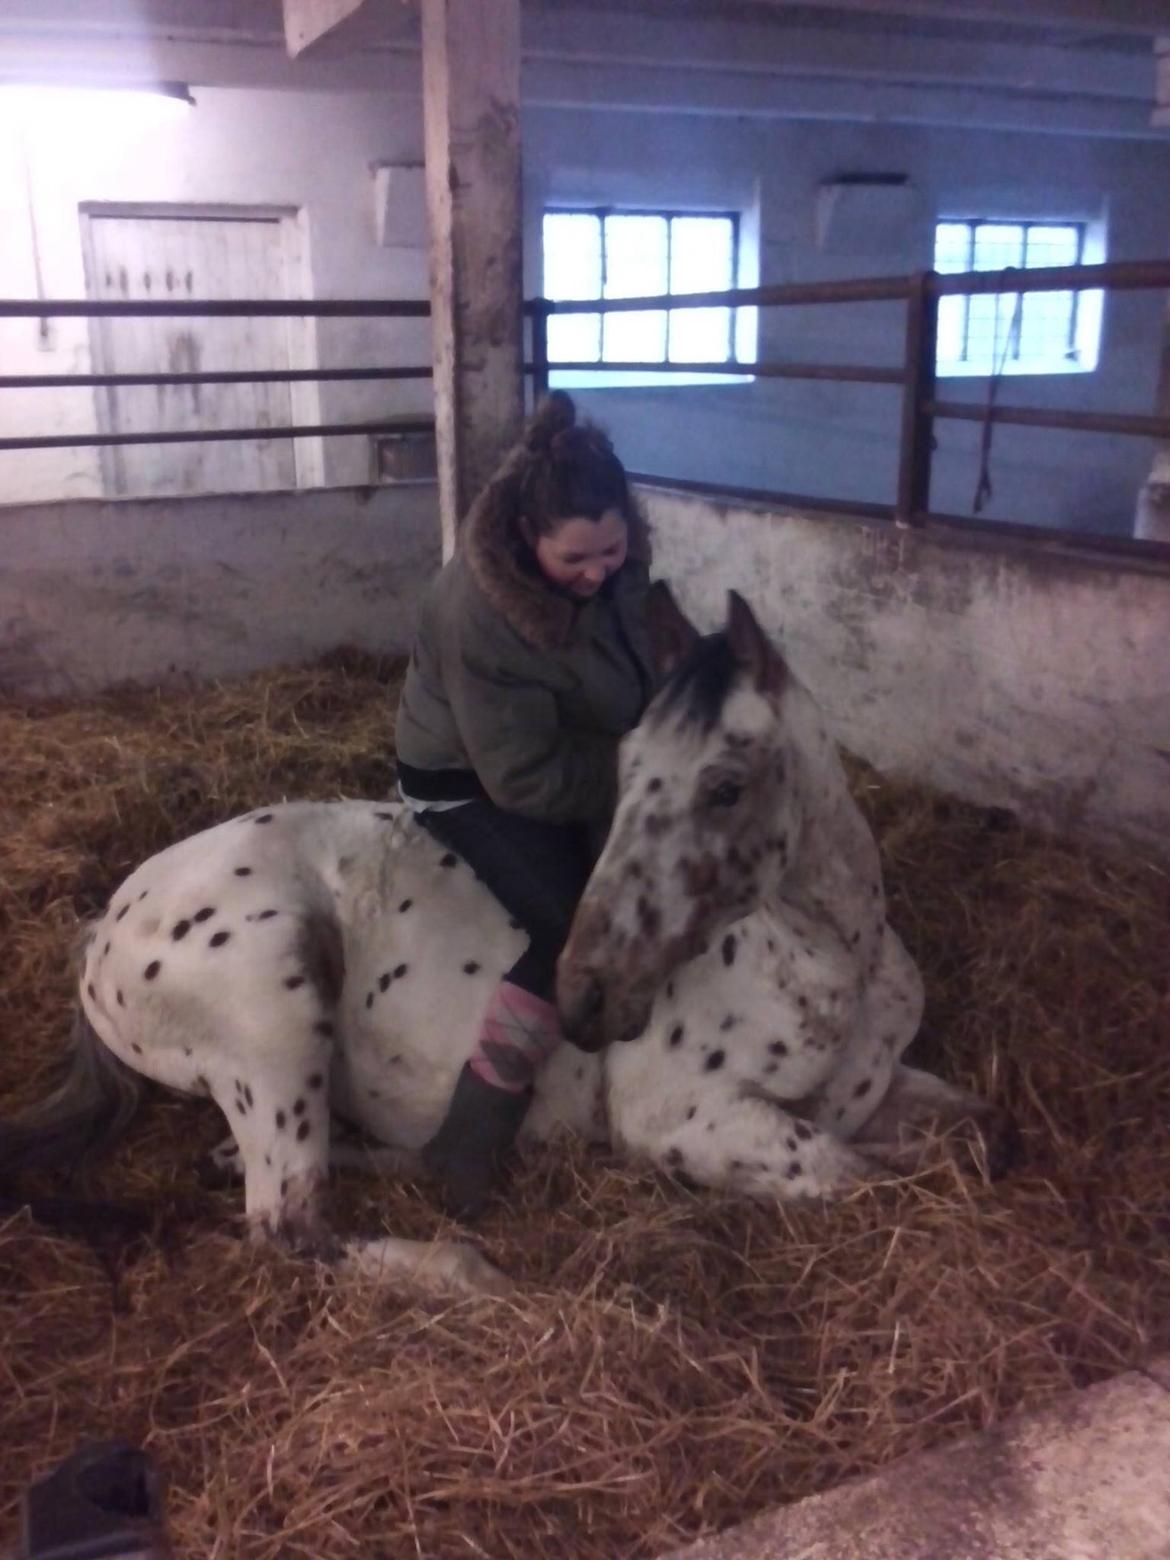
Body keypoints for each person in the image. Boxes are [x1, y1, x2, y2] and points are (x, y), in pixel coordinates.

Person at [394, 391, 654, 1220]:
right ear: (528, 539)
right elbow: (524, 780)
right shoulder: (482, 611)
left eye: (611, 550)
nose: (598, 572)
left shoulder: (613, 557)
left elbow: (627, 638)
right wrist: (639, 775)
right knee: (569, 923)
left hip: (584, 744)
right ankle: (472, 1134)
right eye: (575, 560)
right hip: (472, 779)